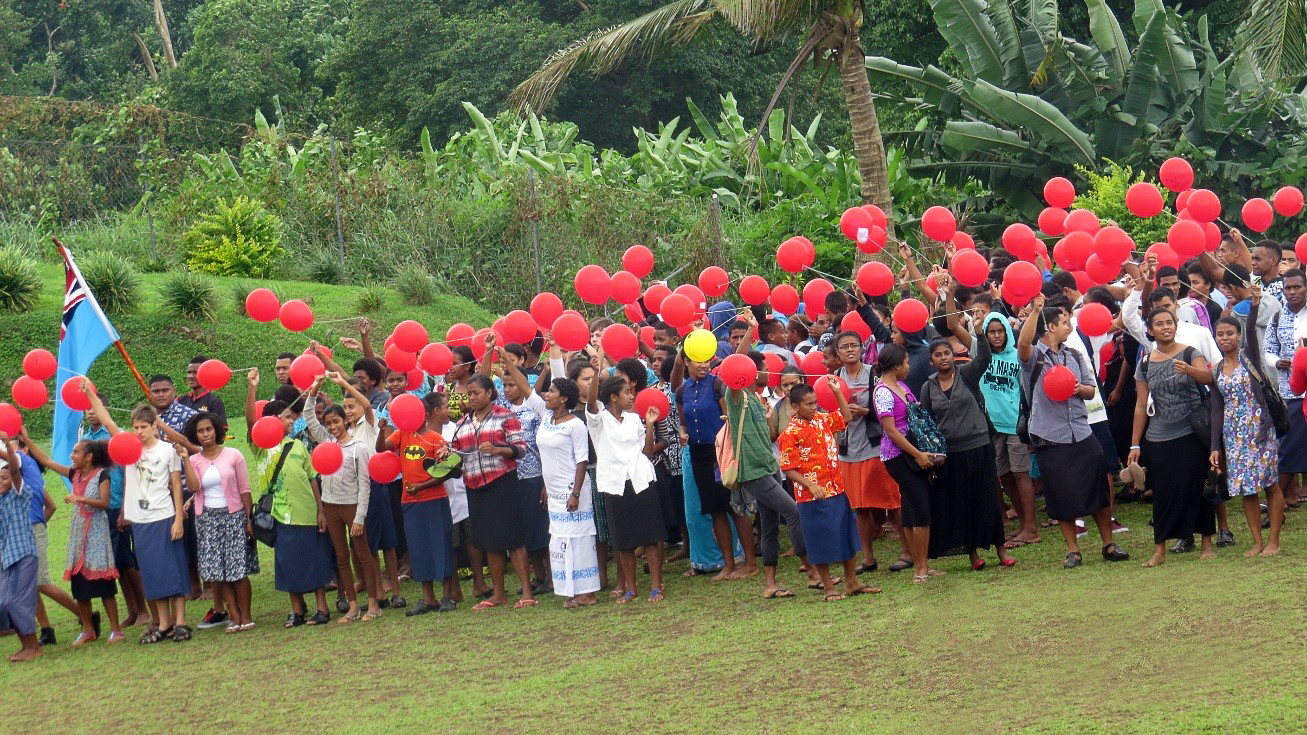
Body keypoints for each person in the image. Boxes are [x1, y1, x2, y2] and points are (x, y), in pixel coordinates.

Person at [1017, 299, 1130, 569]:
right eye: (1065, 322)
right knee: (1060, 495)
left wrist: (1080, 389)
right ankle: (1073, 550)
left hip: (1080, 430)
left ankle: (1108, 543)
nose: (1070, 326)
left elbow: (1091, 389)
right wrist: (1034, 311)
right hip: (1050, 435)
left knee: (1099, 489)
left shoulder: (1074, 355)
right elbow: (1023, 344)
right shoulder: (1034, 357)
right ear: (1051, 327)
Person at [83, 390, 191, 642]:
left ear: (155, 425)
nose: (139, 432)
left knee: (173, 569)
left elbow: (176, 486)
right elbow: (107, 420)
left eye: (143, 427)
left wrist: (177, 519)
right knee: (152, 572)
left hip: (164, 515)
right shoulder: (128, 447)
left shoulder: (168, 451)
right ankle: (163, 624)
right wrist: (90, 394)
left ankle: (181, 621)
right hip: (140, 520)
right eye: (135, 427)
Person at [1130, 307, 1217, 567]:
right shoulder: (1145, 361)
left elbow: (1209, 378)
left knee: (1197, 488)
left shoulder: (1190, 353)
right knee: (1163, 492)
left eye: (1169, 322)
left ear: (1176, 325)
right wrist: (1135, 443)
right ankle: (1160, 550)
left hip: (1190, 431)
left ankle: (1206, 543)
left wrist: (1190, 371)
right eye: (1159, 324)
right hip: (1158, 435)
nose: (1165, 327)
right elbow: (1140, 405)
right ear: (1150, 329)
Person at [779, 378, 879, 601]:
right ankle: (828, 588)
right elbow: (788, 467)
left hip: (836, 488)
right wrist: (811, 484)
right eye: (809, 404)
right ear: (795, 407)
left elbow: (846, 416)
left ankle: (851, 582)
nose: (814, 407)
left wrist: (837, 393)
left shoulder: (822, 419)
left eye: (815, 402)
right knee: (818, 541)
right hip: (811, 496)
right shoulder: (789, 434)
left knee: (846, 535)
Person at [920, 335, 1015, 569]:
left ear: (953, 356)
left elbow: (984, 357)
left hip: (979, 446)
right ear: (931, 360)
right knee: (962, 503)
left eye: (947, 353)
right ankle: (973, 554)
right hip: (951, 454)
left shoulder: (967, 374)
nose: (944, 358)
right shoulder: (928, 387)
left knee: (988, 499)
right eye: (938, 355)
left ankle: (1001, 550)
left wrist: (980, 333)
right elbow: (927, 423)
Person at [21, 436, 123, 646]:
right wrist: (27, 439)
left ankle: (116, 630)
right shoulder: (74, 473)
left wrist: (82, 499)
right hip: (78, 537)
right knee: (80, 587)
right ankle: (88, 630)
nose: (72, 455)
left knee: (104, 586)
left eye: (76, 452)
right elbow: (47, 462)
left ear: (89, 456)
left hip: (97, 534)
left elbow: (104, 503)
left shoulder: (102, 475)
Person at [449, 374, 535, 610]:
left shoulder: (505, 416)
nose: (472, 397)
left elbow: (521, 449)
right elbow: (457, 456)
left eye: (476, 393)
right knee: (488, 541)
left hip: (502, 483)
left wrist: (498, 449)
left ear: (489, 393)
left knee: (513, 538)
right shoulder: (462, 424)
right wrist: (446, 457)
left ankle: (527, 591)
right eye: (469, 394)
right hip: (475, 487)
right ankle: (498, 594)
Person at [252, 397, 334, 628]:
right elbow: (250, 421)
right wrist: (251, 388)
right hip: (278, 514)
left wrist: (320, 510)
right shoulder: (260, 447)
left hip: (306, 511)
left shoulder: (297, 445)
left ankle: (321, 607)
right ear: (273, 420)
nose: (292, 420)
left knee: (313, 558)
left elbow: (311, 477)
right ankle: (297, 609)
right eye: (287, 417)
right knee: (286, 562)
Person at [676, 350, 757, 580]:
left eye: (706, 360)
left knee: (736, 507)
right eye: (697, 360)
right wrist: (683, 434)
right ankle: (728, 564)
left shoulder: (718, 385)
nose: (703, 365)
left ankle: (750, 563)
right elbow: (683, 424)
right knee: (715, 510)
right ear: (686, 362)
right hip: (698, 454)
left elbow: (729, 418)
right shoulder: (682, 392)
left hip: (722, 451)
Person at [1211, 303, 1284, 557]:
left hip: (1260, 430)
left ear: (1238, 335)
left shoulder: (1249, 357)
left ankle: (1273, 540)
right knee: (1247, 489)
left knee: (1270, 484)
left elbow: (1252, 327)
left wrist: (1253, 307)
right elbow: (1217, 408)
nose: (1225, 338)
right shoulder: (1217, 369)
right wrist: (1214, 446)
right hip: (1233, 436)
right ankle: (1256, 542)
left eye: (1230, 333)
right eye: (1220, 334)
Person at [585, 373, 666, 603]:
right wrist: (595, 375)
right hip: (614, 483)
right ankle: (631, 588)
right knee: (624, 540)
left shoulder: (634, 419)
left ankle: (656, 586)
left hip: (641, 479)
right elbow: (591, 403)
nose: (631, 397)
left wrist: (650, 426)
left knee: (651, 535)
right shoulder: (598, 421)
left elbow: (647, 452)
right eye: (626, 393)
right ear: (613, 397)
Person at [176, 412, 258, 633]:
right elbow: (193, 488)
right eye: (200, 431)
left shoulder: (234, 455)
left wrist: (248, 519)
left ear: (217, 431)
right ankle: (234, 615)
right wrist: (185, 458)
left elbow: (245, 490)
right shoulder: (194, 460)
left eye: (208, 430)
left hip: (234, 516)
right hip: (207, 520)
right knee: (218, 571)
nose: (205, 435)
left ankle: (247, 615)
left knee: (238, 569)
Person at [10, 434, 95, 645]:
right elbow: (52, 505)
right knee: (29, 584)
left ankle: (86, 616)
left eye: (9, 443)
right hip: (21, 532)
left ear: (25, 449)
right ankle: (46, 629)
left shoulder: (25, 463)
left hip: (31, 530)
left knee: (40, 582)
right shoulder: (19, 473)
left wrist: (37, 527)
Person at [832, 328, 901, 573]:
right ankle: (868, 557)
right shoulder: (834, 379)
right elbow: (829, 412)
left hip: (875, 446)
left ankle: (908, 552)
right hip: (848, 448)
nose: (850, 350)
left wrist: (866, 412)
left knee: (892, 501)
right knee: (858, 506)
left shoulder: (874, 374)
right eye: (844, 347)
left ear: (862, 348)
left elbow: (889, 405)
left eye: (854, 345)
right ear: (837, 353)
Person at [382, 393, 458, 616]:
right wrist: (381, 430)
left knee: (440, 545)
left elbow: (445, 472)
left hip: (434, 500)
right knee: (418, 548)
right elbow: (382, 449)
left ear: (424, 414)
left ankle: (447, 596)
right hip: (410, 502)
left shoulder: (436, 439)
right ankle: (428, 598)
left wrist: (422, 487)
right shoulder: (402, 435)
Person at [874, 343, 943, 583]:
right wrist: (918, 454)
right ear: (895, 365)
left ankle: (921, 563)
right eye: (905, 363)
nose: (908, 367)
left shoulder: (900, 386)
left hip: (912, 451)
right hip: (899, 456)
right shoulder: (883, 391)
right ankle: (920, 568)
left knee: (914, 509)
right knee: (920, 507)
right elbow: (891, 431)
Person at [80, 397, 147, 626]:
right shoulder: (86, 439)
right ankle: (132, 610)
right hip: (98, 508)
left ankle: (144, 609)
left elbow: (128, 471)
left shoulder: (115, 437)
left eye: (94, 407)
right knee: (115, 563)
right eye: (86, 408)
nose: (90, 412)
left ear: (104, 409)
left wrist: (125, 509)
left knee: (126, 561)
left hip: (117, 504)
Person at [533, 378, 598, 607]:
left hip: (573, 491)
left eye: (551, 391)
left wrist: (576, 494)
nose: (546, 394)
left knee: (579, 540)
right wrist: (545, 486)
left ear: (563, 398)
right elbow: (549, 460)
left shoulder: (576, 425)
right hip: (554, 492)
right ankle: (571, 588)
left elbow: (582, 460)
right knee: (561, 541)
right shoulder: (547, 419)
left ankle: (587, 592)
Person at [977, 311, 1039, 547]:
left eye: (1000, 331)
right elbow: (953, 326)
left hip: (1015, 424)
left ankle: (1032, 527)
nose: (996, 336)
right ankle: (1023, 525)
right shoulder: (981, 355)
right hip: (992, 426)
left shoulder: (1017, 356)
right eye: (991, 332)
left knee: (1021, 473)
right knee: (1004, 475)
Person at [1264, 269, 1307, 509]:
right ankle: (1277, 503)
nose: (1292, 292)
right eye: (1287, 288)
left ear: (1305, 287)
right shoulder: (1277, 318)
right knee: (1288, 448)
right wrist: (1275, 361)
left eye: (1297, 287)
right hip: (1290, 392)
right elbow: (1268, 349)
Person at [0, 435, 41, 662]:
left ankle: (33, 647)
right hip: (6, 558)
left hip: (24, 555)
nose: (1, 480)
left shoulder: (19, 495)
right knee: (3, 603)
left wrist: (8, 446)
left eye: (4, 477)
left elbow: (15, 470)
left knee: (16, 602)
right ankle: (25, 645)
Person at [179, 355, 228, 426]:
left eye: (195, 372)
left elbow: (221, 430)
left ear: (205, 374)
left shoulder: (214, 402)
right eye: (189, 372)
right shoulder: (180, 400)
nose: (190, 376)